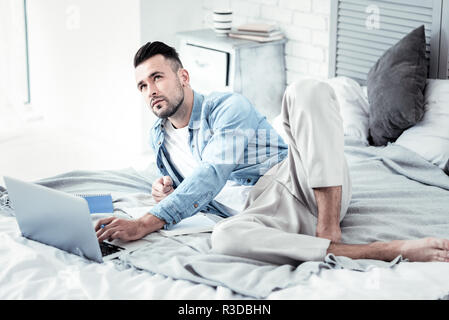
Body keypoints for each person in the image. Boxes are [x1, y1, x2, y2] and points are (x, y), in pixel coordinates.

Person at [95, 41, 449, 264]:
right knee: (224, 237)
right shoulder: (158, 138)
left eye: (158, 77)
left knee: (307, 90)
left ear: (183, 76)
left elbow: (212, 171)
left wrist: (147, 221)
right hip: (257, 215)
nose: (150, 90)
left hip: (298, 183)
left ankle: (329, 231)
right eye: (142, 85)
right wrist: (166, 187)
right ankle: (382, 251)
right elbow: (192, 182)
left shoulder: (226, 106)